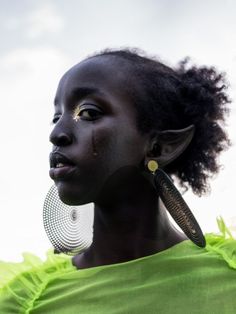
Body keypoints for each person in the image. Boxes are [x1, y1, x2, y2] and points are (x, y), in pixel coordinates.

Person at [0, 48, 235, 313]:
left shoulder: (230, 278)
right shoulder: (23, 303)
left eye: (88, 113)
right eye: (57, 116)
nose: (57, 133)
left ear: (159, 147)